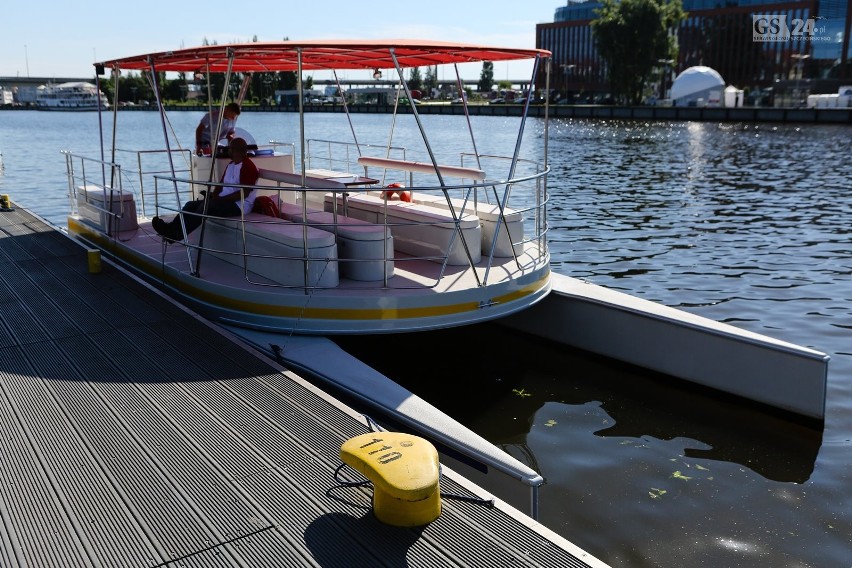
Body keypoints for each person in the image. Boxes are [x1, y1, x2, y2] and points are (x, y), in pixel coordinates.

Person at [153, 137, 258, 242]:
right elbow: (220, 185)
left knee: (206, 207)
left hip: (239, 205)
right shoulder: (231, 165)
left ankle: (177, 234)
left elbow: (244, 194)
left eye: (230, 149)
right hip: (225, 201)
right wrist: (215, 195)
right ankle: (171, 228)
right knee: (190, 205)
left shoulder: (248, 167)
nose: (228, 151)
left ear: (237, 151)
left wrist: (219, 200)